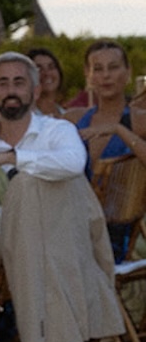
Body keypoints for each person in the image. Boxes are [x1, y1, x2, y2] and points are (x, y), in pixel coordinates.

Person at [0, 52, 122, 342]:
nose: (11, 89)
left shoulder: (57, 131)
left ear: (35, 91)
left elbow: (71, 162)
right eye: (3, 83)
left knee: (26, 185)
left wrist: (11, 157)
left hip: (51, 234)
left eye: (19, 82)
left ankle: (37, 338)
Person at [74, 40, 146, 260]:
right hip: (78, 225)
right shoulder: (75, 119)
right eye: (98, 68)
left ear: (127, 72)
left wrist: (118, 130)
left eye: (113, 67)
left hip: (122, 228)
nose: (106, 75)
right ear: (88, 74)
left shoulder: (139, 120)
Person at [27, 47, 72, 123]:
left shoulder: (69, 116)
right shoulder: (25, 119)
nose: (47, 73)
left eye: (51, 67)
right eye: (39, 69)